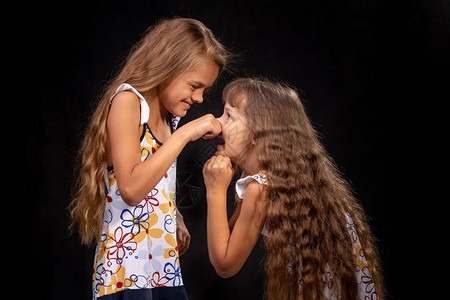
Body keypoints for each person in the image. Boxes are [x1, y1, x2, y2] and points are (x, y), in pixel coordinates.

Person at [69, 17, 228, 299]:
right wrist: (186, 134)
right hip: (126, 275)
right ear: (167, 67)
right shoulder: (128, 102)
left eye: (205, 89)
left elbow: (153, 181)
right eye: (194, 86)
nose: (200, 98)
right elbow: (129, 189)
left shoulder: (170, 119)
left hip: (162, 268)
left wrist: (173, 215)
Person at [203, 78, 384, 300]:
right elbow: (229, 238)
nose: (217, 123)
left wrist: (215, 189)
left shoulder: (261, 188)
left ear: (257, 134)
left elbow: (224, 264)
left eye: (229, 116)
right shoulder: (281, 180)